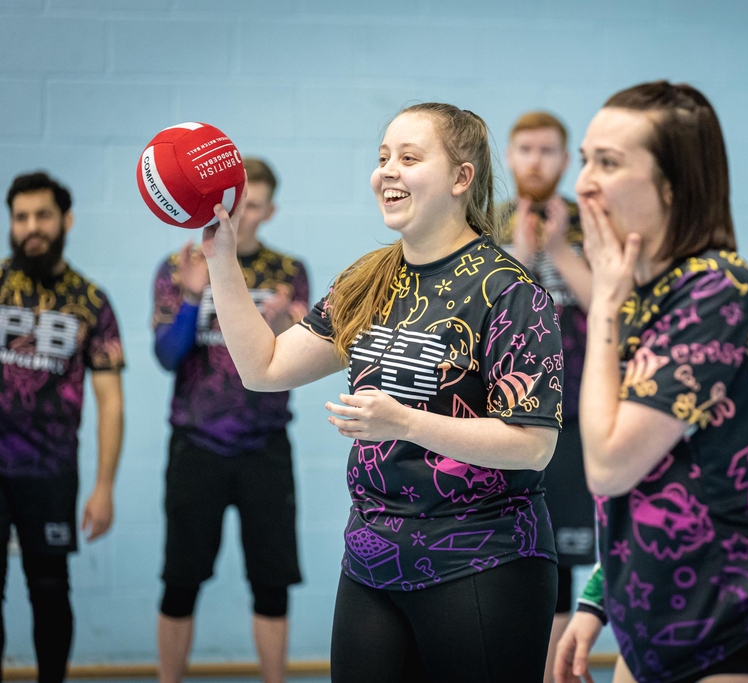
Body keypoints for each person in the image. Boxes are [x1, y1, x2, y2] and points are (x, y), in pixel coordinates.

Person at [201, 103, 564, 683]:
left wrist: (407, 422)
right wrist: (221, 256)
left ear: (461, 178)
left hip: (482, 562)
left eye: (410, 158)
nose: (387, 171)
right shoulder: (368, 279)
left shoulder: (511, 291)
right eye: (382, 158)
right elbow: (263, 368)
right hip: (372, 563)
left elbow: (532, 446)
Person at [554, 81, 748, 683]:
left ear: (673, 186)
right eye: (584, 160)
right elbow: (654, 480)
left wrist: (601, 304)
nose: (582, 184)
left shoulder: (717, 288)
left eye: (609, 163)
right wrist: (600, 597)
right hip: (652, 628)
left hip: (744, 628)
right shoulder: (640, 295)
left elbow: (608, 465)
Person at [151, 158, 309, 683]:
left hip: (264, 446)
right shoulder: (179, 266)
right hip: (196, 445)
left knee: (271, 581)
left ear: (270, 211)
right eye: (240, 205)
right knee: (180, 579)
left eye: (257, 206)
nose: (245, 215)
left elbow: (294, 364)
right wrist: (193, 295)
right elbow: (167, 356)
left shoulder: (288, 273)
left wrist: (284, 328)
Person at [0, 172, 125, 683]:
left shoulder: (92, 302)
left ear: (65, 221)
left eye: (43, 215)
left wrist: (103, 486)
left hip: (50, 471)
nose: (32, 227)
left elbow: (110, 401)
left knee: (49, 588)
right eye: (21, 216)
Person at [501, 111, 595, 683]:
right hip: (504, 415)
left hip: (576, 414)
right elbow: (486, 311)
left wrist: (559, 249)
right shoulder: (482, 222)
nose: (536, 160)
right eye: (526, 149)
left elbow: (612, 306)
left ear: (565, 160)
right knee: (511, 556)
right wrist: (516, 248)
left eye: (549, 150)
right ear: (509, 157)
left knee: (562, 559)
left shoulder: (591, 222)